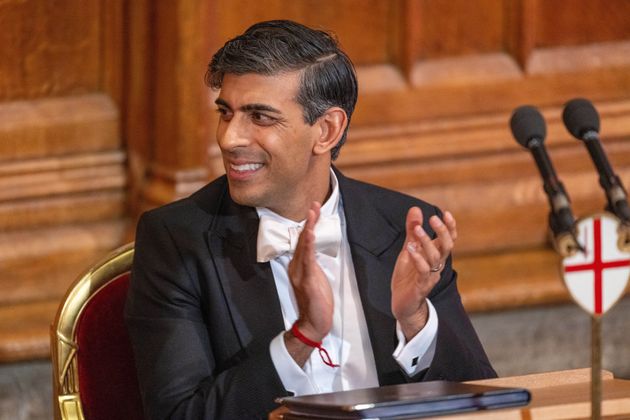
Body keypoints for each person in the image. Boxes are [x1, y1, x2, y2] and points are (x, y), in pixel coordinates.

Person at [125, 19, 496, 420]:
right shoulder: (179, 240)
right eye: (226, 113)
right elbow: (178, 416)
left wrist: (414, 321)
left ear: (327, 130)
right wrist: (300, 340)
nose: (229, 138)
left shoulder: (405, 229)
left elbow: (481, 399)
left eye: (260, 117)